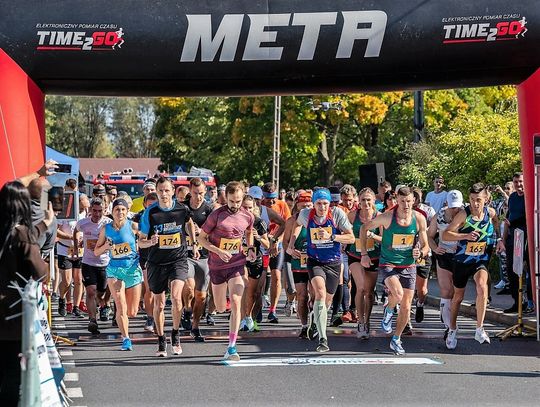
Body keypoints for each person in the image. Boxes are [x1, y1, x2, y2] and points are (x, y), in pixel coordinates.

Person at [0, 181, 54, 405]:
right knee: (13, 375)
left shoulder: (16, 232)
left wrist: (45, 224)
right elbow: (41, 272)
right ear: (23, 204)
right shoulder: (21, 233)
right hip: (12, 316)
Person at [360, 186, 429, 355]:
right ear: (397, 200)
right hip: (388, 263)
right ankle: (389, 310)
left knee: (406, 306)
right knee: (397, 295)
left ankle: (396, 339)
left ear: (414, 201)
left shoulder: (419, 218)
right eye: (403, 201)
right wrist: (364, 253)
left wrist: (420, 252)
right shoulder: (387, 217)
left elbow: (426, 246)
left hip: (409, 265)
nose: (406, 205)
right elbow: (364, 229)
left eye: (409, 201)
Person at [287, 188, 355, 352]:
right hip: (314, 261)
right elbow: (296, 224)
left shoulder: (337, 214)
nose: (323, 207)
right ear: (314, 204)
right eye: (319, 203)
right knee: (320, 292)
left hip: (333, 262)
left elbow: (351, 237)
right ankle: (323, 339)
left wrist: (332, 237)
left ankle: (314, 319)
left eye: (326, 204)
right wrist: (290, 244)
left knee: (327, 302)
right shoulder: (305, 214)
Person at [139, 177, 197, 357]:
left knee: (176, 297)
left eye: (167, 190)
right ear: (156, 192)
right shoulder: (150, 213)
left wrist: (193, 243)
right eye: (160, 191)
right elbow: (140, 242)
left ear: (173, 191)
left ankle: (176, 333)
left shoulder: (182, 209)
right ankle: (161, 338)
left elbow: (188, 223)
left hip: (177, 260)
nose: (164, 194)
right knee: (160, 303)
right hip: (156, 262)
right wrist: (150, 241)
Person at [198, 181, 257, 361]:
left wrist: (250, 248)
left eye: (238, 201)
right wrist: (218, 251)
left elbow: (248, 232)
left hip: (236, 264)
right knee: (221, 307)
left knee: (237, 301)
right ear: (226, 199)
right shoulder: (216, 215)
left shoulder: (248, 216)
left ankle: (232, 347)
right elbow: (201, 238)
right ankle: (220, 305)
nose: (235, 205)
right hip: (216, 266)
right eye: (232, 201)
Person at [443, 183, 503, 349]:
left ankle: (479, 328)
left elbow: (496, 223)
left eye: (478, 200)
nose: (475, 204)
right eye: (471, 200)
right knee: (458, 297)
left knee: (482, 286)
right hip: (462, 261)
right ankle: (452, 328)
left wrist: (498, 240)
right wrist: (465, 235)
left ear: (485, 199)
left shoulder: (490, 213)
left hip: (480, 259)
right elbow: (447, 234)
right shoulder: (464, 214)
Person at [94, 198, 143, 351]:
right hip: (114, 270)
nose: (120, 212)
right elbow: (96, 251)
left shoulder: (133, 226)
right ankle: (126, 338)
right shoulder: (105, 229)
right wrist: (106, 246)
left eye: (123, 210)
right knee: (120, 306)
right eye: (117, 210)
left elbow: (145, 239)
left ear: (127, 212)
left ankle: (125, 326)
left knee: (132, 312)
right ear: (112, 212)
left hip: (132, 270)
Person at [346, 188, 381, 339]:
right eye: (363, 200)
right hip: (356, 255)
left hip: (374, 257)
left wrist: (372, 235)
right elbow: (345, 233)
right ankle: (360, 322)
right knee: (360, 288)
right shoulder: (353, 215)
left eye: (368, 200)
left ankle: (367, 320)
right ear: (358, 202)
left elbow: (386, 239)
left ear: (374, 201)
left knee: (369, 292)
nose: (365, 203)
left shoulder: (379, 217)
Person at [427, 189, 463, 336]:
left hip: (461, 255)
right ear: (446, 203)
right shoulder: (439, 215)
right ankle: (449, 327)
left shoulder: (465, 214)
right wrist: (435, 248)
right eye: (452, 206)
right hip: (444, 254)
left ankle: (450, 320)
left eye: (458, 206)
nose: (455, 210)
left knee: (456, 293)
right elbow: (429, 236)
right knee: (446, 290)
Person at [74, 197, 112, 334]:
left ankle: (103, 304)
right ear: (90, 210)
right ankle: (92, 320)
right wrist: (76, 245)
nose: (97, 214)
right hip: (88, 262)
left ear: (104, 210)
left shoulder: (109, 223)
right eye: (94, 211)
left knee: (101, 291)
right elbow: (76, 231)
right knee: (90, 291)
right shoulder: (83, 223)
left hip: (105, 263)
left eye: (100, 211)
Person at [183, 177, 215, 341]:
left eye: (201, 193)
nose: (199, 197)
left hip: (203, 256)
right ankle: (186, 310)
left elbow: (214, 231)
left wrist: (201, 230)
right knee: (189, 286)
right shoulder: (182, 207)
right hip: (185, 254)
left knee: (201, 296)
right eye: (195, 193)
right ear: (190, 191)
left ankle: (195, 327)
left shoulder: (208, 209)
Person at [282, 190, 313, 338]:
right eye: (303, 206)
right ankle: (304, 325)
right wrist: (291, 250)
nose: (306, 209)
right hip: (298, 262)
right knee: (301, 296)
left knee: (315, 295)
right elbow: (285, 242)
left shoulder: (318, 219)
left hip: (315, 262)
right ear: (297, 206)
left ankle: (315, 323)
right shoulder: (291, 221)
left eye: (309, 205)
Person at [501, 173, 533, 313]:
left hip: (527, 236)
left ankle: (531, 301)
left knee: (530, 269)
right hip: (513, 237)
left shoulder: (531, 196)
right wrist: (502, 239)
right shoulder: (513, 197)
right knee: (511, 269)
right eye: (516, 182)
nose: (518, 185)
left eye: (521, 182)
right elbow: (507, 219)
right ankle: (518, 302)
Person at [239, 195, 270, 332]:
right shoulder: (234, 221)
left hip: (255, 259)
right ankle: (240, 319)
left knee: (254, 293)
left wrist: (259, 238)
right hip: (239, 259)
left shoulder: (259, 222)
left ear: (254, 208)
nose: (247, 210)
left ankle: (249, 317)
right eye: (244, 207)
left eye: (250, 207)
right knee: (243, 287)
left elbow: (268, 244)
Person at [261, 182, 290, 323]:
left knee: (276, 276)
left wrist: (277, 241)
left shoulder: (282, 205)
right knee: (259, 277)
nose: (271, 202)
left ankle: (272, 310)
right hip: (261, 244)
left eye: (273, 198)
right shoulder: (259, 206)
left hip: (276, 244)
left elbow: (287, 225)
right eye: (268, 200)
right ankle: (257, 306)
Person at [132, 192, 159, 332]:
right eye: (149, 205)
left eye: (155, 205)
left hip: (163, 256)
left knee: (160, 290)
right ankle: (150, 317)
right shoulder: (141, 216)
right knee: (150, 289)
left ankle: (158, 315)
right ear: (144, 205)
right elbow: (134, 227)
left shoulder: (163, 215)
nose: (152, 208)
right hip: (146, 256)